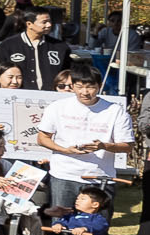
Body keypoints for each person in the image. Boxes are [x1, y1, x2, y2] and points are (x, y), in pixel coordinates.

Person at [34, 66, 132, 219]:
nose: (84, 92)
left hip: (100, 177)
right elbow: (42, 138)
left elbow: (127, 146)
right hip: (64, 174)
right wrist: (65, 150)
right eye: (79, 87)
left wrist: (103, 146)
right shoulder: (57, 107)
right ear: (72, 86)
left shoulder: (115, 111)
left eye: (90, 87)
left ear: (99, 86)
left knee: (96, 227)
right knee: (61, 225)